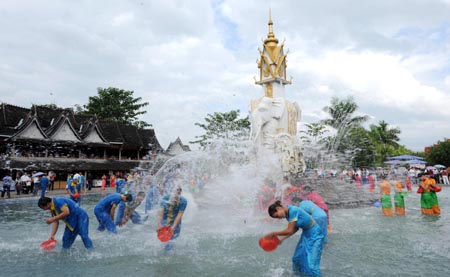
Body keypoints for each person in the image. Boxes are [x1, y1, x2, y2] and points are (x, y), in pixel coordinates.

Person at [264, 200, 324, 276]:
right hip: (306, 234)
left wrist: (274, 233)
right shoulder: (288, 214)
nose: (279, 218)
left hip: (315, 234)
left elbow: (289, 230)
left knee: (312, 266)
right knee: (296, 259)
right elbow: (294, 229)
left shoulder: (293, 211)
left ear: (279, 208)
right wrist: (282, 239)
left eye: (277, 216)